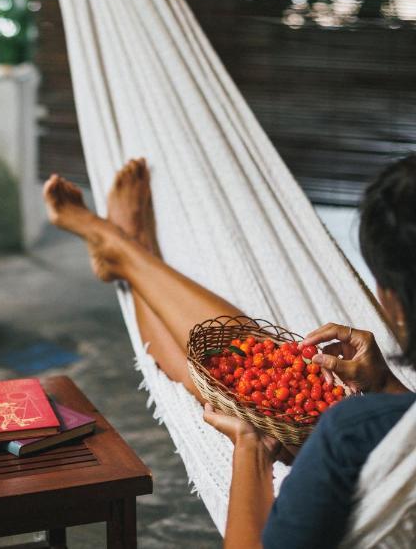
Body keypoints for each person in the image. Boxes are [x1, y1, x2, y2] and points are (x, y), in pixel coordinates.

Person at [42, 154, 416, 548]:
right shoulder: (381, 421)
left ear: (391, 301)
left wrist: (252, 446)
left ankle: (126, 249)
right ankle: (131, 253)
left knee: (235, 368)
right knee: (241, 356)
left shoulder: (349, 430)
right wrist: (387, 387)